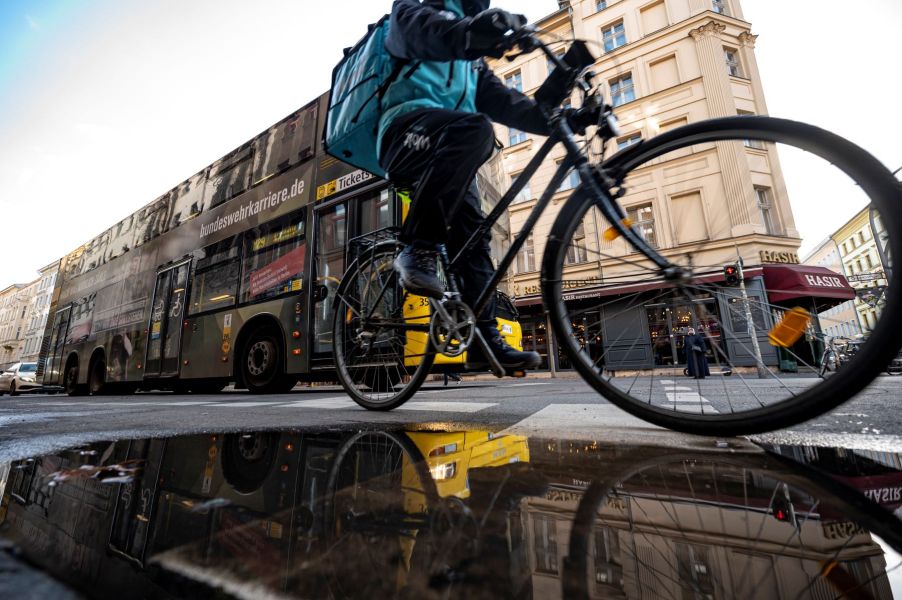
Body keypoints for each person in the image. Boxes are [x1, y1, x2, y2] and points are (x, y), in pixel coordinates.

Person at [378, 0, 563, 372]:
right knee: (477, 128)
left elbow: (509, 105)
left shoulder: (472, 62)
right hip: (404, 131)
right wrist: (474, 32)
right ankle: (418, 248)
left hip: (447, 145)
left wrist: (561, 115)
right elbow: (422, 32)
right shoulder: (413, 10)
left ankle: (486, 337)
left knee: (474, 239)